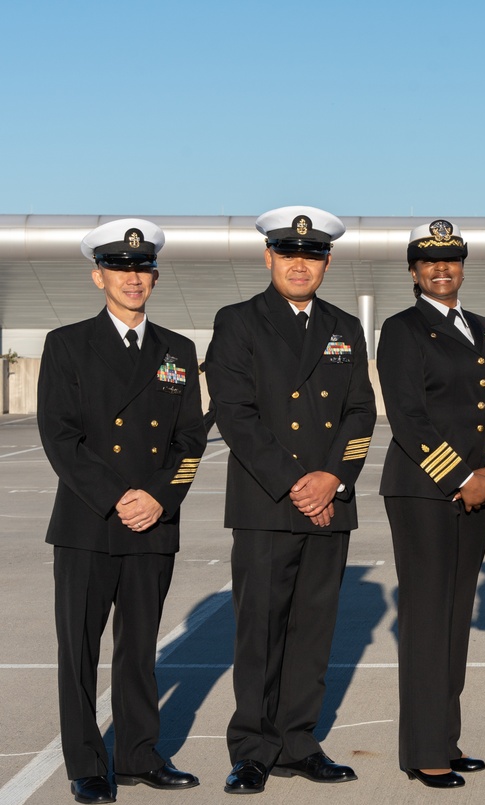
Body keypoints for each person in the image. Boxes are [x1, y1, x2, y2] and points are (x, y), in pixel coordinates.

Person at [205, 206, 376, 795]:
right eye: (288, 254)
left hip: (331, 502)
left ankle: (299, 742)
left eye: (311, 256)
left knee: (313, 629)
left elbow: (361, 411)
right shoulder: (237, 321)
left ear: (326, 262)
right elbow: (235, 412)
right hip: (267, 502)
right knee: (260, 630)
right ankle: (253, 748)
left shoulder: (344, 326)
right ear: (268, 257)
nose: (299, 264)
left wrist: (333, 478)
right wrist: (297, 483)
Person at [37, 219, 206, 804]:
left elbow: (191, 441)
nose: (132, 279)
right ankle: (87, 762)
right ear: (98, 276)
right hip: (89, 521)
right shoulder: (66, 344)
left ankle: (138, 755)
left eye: (142, 270)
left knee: (139, 649)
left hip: (154, 520)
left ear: (154, 278)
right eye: (120, 269)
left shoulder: (178, 351)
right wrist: (117, 497)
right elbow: (59, 437)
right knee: (79, 650)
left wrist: (159, 496)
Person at [376, 220, 485, 788]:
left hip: (476, 491)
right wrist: (461, 476)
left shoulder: (482, 330)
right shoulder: (401, 329)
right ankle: (424, 749)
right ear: (413, 271)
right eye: (429, 262)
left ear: (463, 268)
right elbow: (407, 416)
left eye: (452, 260)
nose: (441, 269)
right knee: (429, 620)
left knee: (456, 619)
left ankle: (447, 739)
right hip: (424, 492)